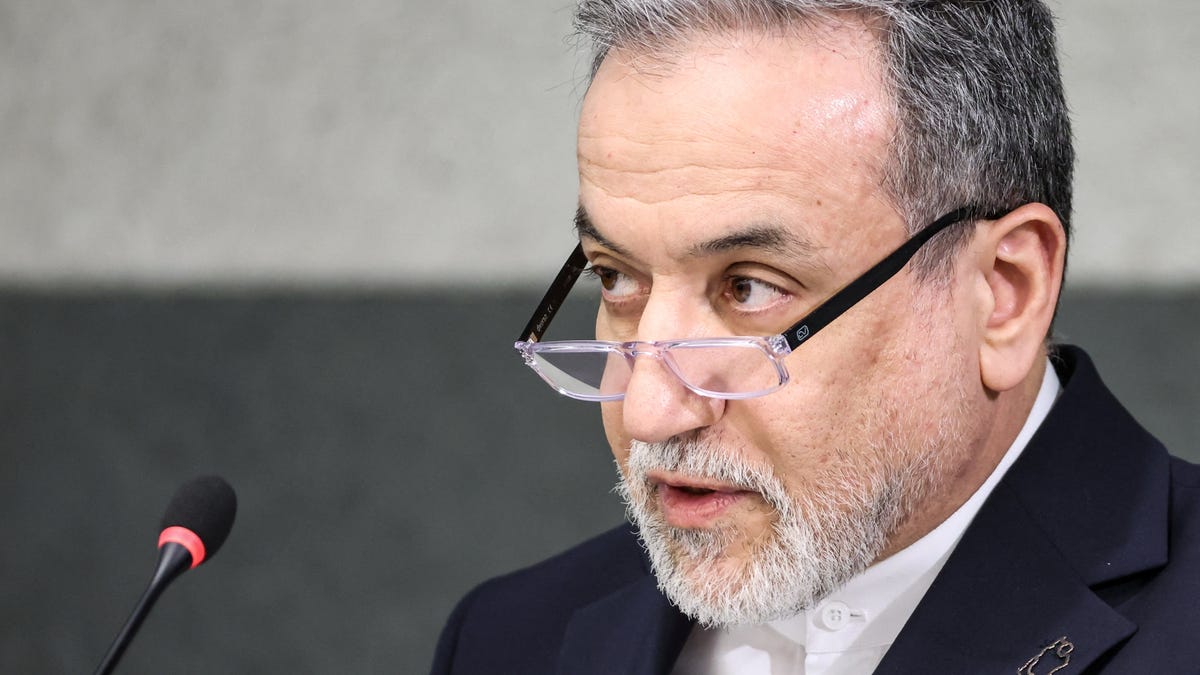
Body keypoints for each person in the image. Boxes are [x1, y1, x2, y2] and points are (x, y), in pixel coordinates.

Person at [432, 1, 1200, 673]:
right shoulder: (505, 639)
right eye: (616, 278)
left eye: (750, 288)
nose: (649, 414)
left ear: (1005, 293)